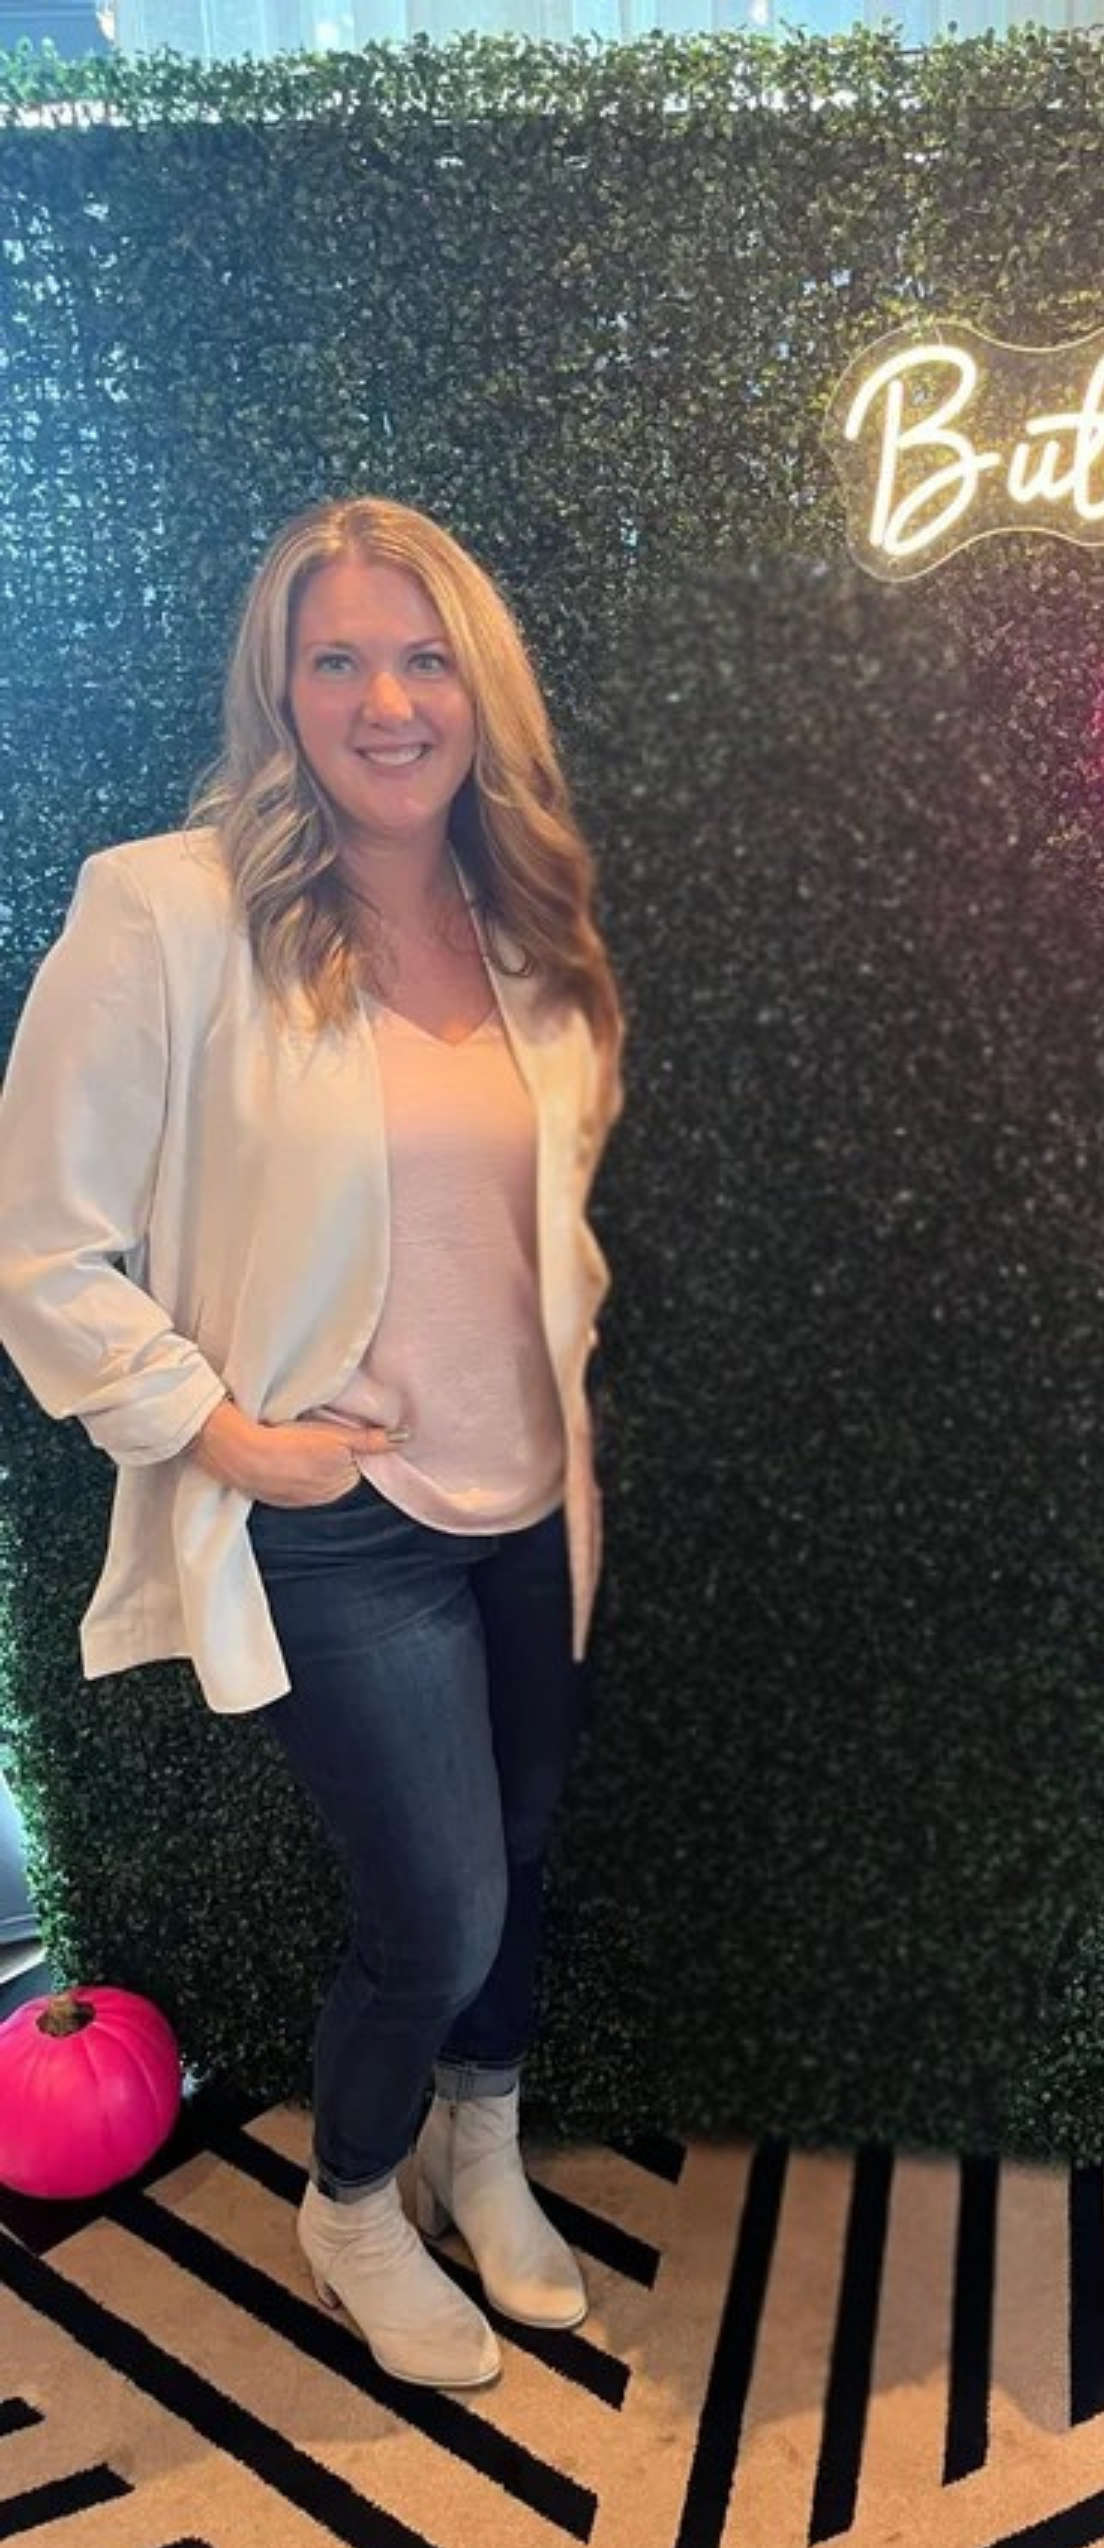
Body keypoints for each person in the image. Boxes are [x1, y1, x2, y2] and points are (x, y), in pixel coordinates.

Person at [0, 497, 624, 2390]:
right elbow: (35, 1237)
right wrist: (217, 1433)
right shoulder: (171, 908)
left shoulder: (525, 922)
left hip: (533, 1498)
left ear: (479, 691)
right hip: (340, 1514)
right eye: (337, 656)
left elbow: (547, 1232)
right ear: (280, 687)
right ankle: (354, 2200)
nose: (385, 697)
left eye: (424, 656)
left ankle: (484, 2156)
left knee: (515, 1867)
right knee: (433, 1900)